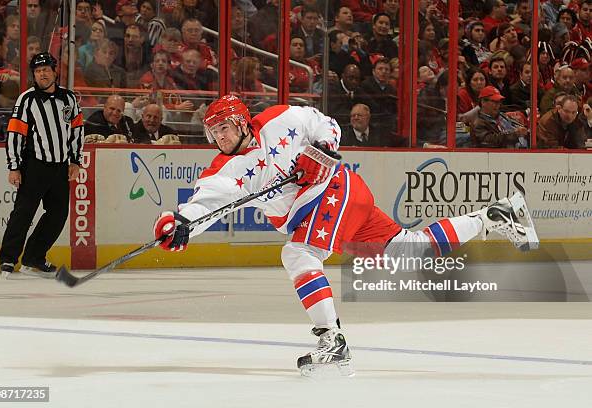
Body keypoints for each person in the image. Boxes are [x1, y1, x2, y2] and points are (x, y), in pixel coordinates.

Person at [151, 95, 538, 376]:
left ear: (240, 121)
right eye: (212, 131)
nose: (218, 137)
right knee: (409, 250)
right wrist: (180, 224)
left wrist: (318, 152)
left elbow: (327, 126)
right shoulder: (224, 170)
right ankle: (497, 215)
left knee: (298, 254)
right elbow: (203, 204)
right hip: (339, 202)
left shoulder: (279, 118)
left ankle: (332, 341)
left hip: (334, 190)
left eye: (223, 128)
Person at [0, 53, 84, 279]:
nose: (42, 74)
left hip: (59, 167)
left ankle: (34, 257)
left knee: (58, 214)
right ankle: (8, 258)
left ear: (55, 71)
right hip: (33, 165)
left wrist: (75, 160)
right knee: (23, 213)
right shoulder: (27, 99)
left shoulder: (69, 99)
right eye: (37, 71)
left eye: (46, 69)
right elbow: (15, 134)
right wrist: (14, 166)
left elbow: (76, 131)